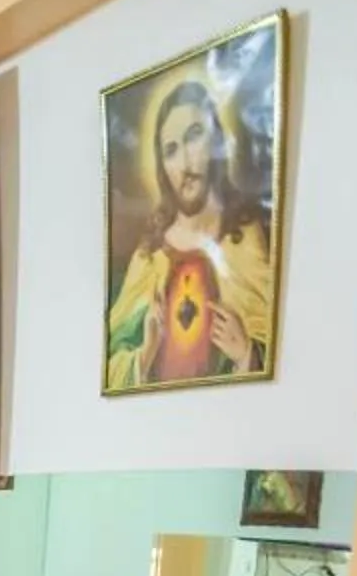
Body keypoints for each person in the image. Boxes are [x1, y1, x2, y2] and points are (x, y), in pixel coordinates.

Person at [106, 76, 274, 387]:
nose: (184, 163)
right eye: (170, 150)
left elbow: (278, 359)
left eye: (194, 135)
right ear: (162, 168)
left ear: (216, 142)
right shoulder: (149, 258)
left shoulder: (247, 238)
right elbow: (110, 361)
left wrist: (246, 353)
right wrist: (144, 355)